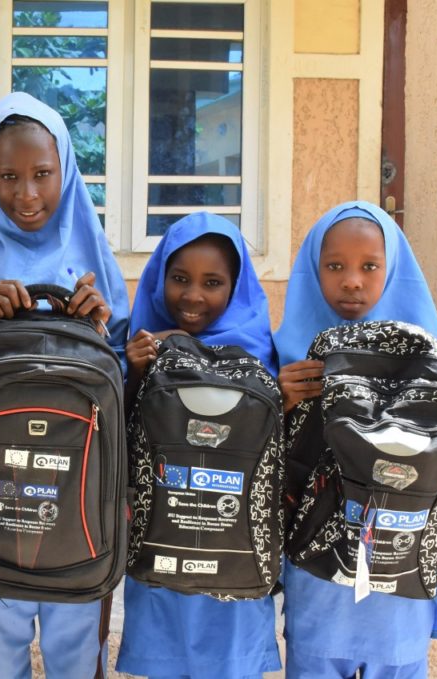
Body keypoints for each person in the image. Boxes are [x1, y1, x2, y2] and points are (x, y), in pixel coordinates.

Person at [0, 92, 130, 679]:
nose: (27, 195)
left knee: (75, 647)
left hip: (79, 491)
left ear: (66, 166)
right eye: (9, 176)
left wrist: (100, 323)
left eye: (42, 174)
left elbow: (122, 373)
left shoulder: (94, 253)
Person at [274, 201, 437, 679]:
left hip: (402, 582)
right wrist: (278, 403)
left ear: (393, 270)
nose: (352, 280)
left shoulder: (431, 359)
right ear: (313, 268)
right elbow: (266, 472)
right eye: (334, 266)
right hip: (318, 585)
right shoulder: (291, 359)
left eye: (370, 266)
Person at [114, 211, 282, 679]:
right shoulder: (141, 346)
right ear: (158, 278)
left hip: (237, 564)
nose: (192, 296)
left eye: (213, 282)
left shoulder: (263, 355)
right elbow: (118, 440)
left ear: (237, 286)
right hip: (161, 553)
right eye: (179, 278)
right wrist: (135, 372)